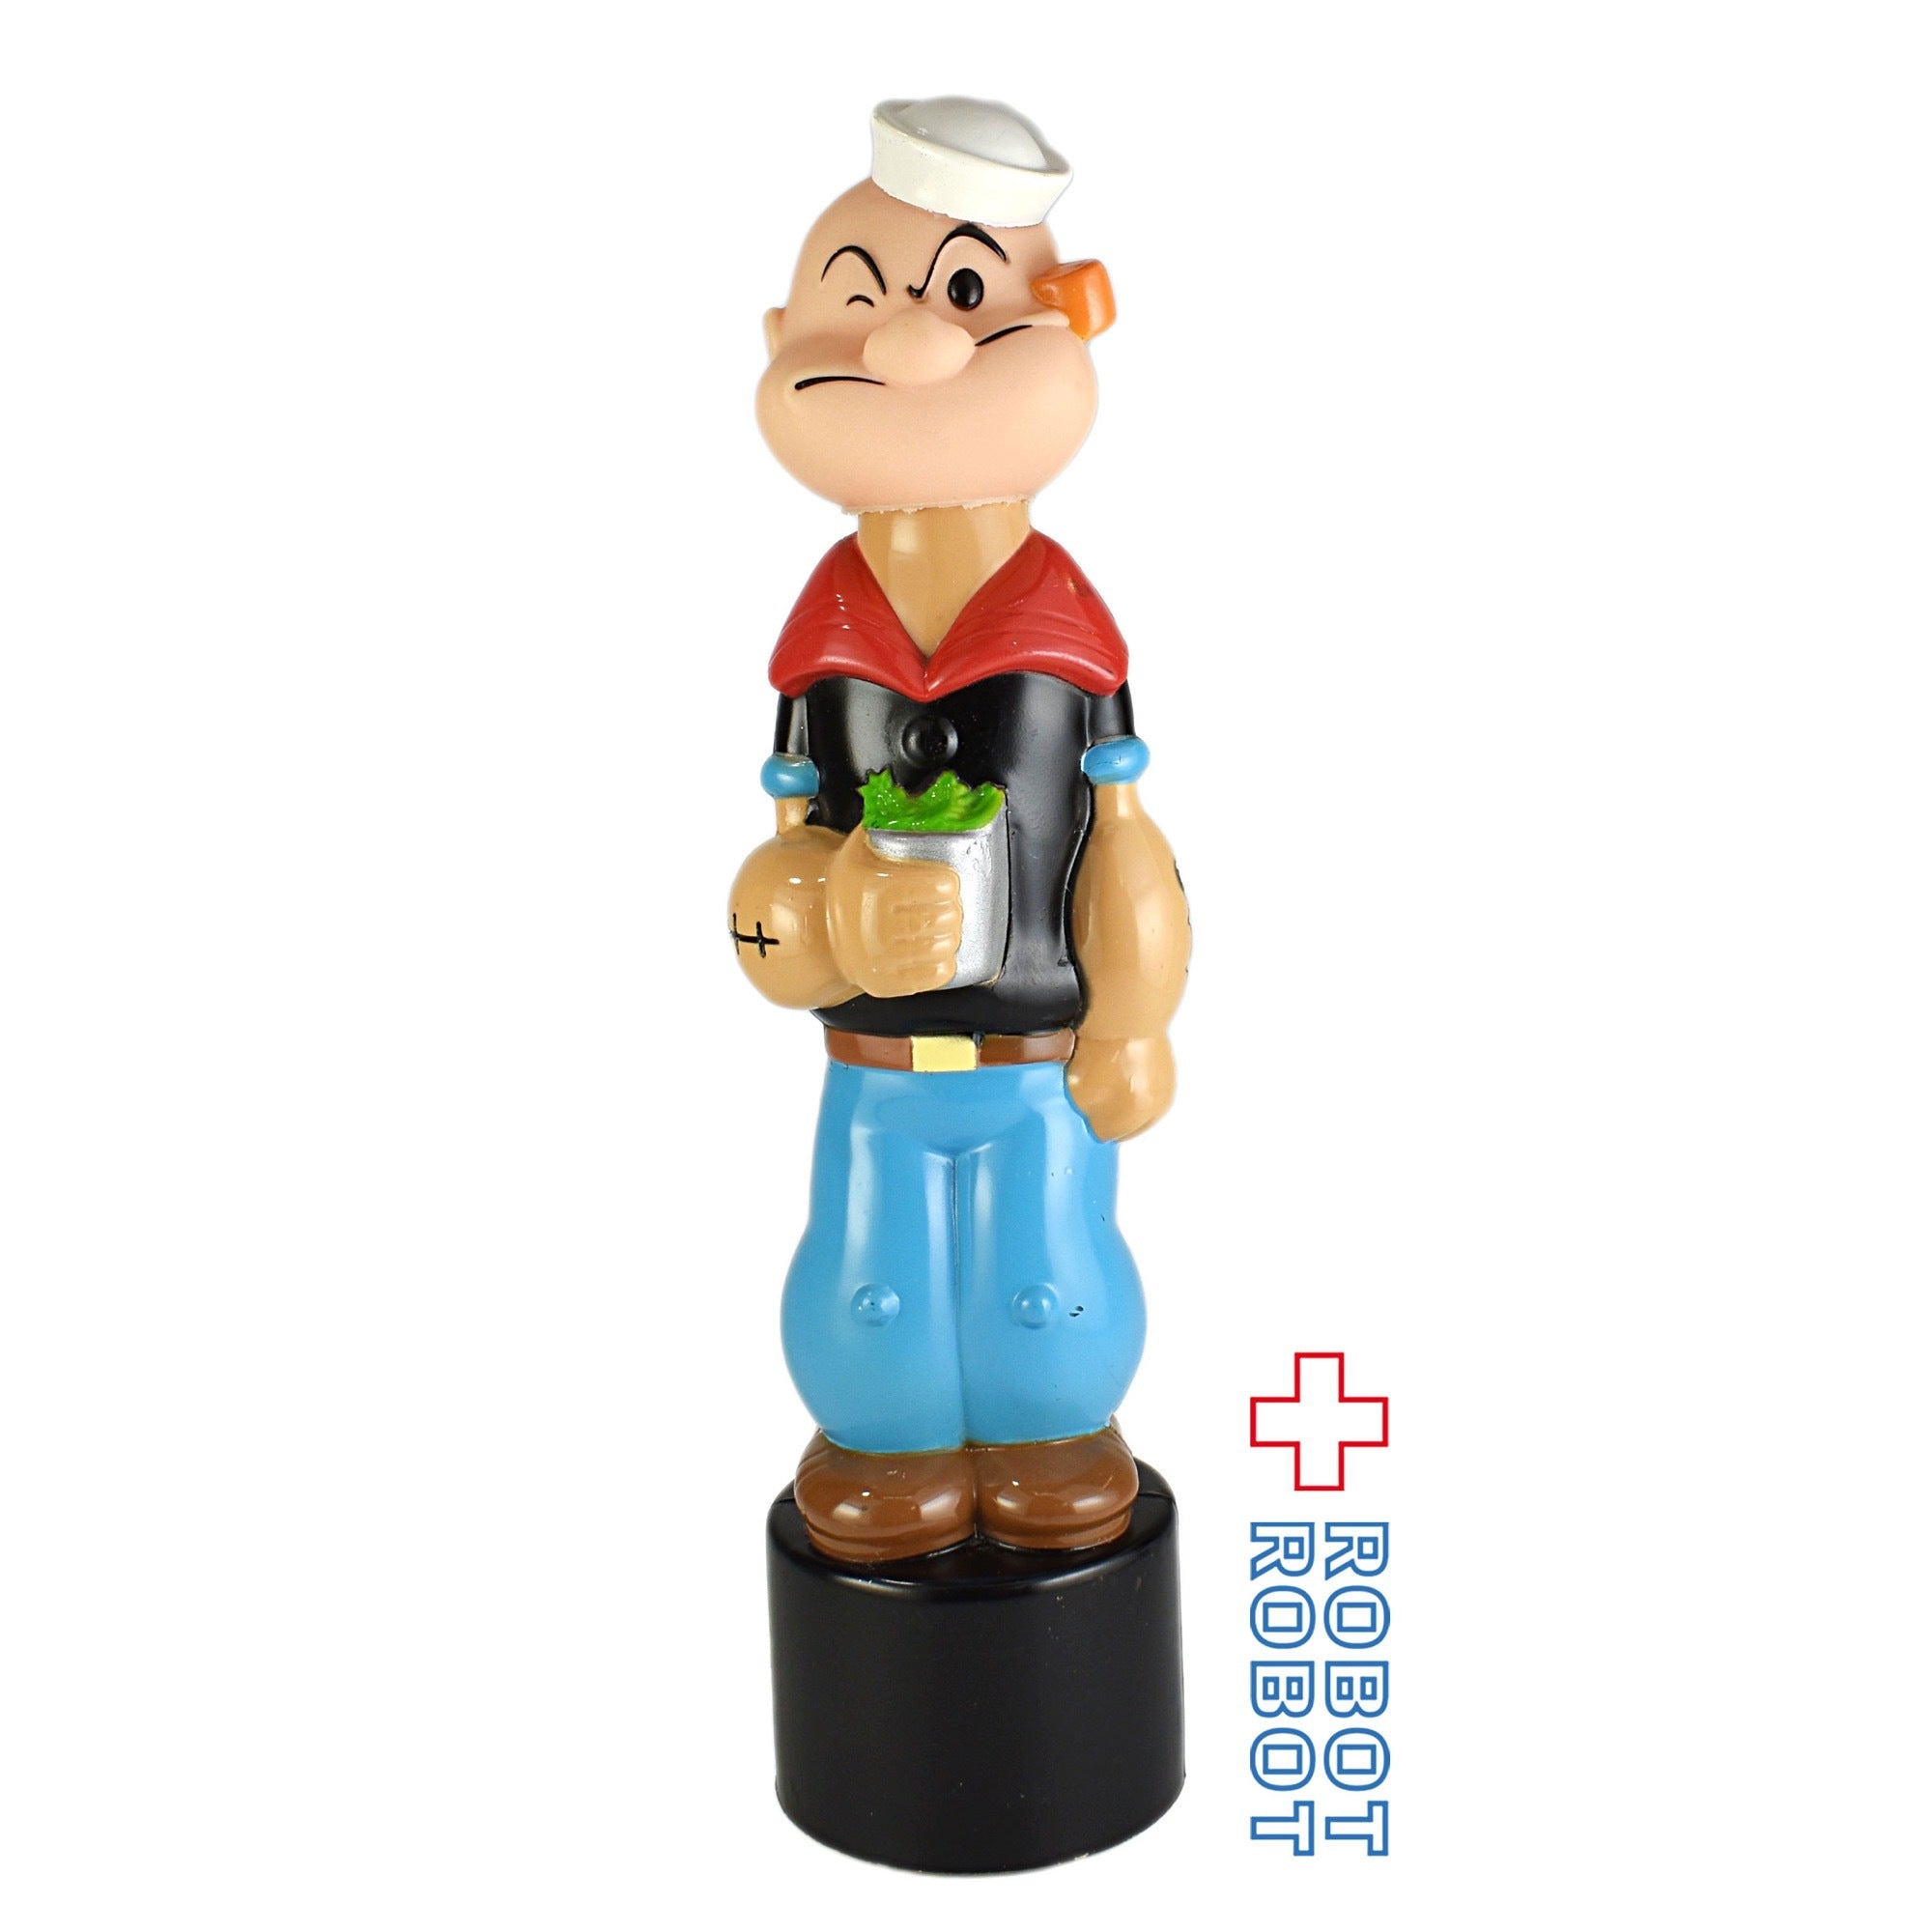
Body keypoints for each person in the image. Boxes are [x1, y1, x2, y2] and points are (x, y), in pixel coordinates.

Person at [729, 98, 1190, 1563]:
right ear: (782, 340)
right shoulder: (824, 648)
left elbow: (1124, 837)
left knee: (1048, 1281)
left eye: (967, 293)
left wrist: (1136, 1016)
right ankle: (889, 1434)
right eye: (857, 303)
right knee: (872, 1291)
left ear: (1071, 319)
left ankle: (1054, 1424)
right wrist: (820, 918)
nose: (910, 345)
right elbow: (770, 886)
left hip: (1038, 1059)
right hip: (873, 1068)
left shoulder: (1069, 638)